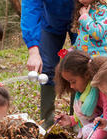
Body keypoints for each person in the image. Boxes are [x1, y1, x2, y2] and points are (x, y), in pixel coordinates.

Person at [21, 0, 77, 128]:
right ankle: (47, 122)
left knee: (80, 65)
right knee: (47, 66)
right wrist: (33, 50)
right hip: (51, 21)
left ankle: (78, 120)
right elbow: (30, 8)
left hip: (82, 16)